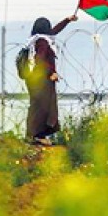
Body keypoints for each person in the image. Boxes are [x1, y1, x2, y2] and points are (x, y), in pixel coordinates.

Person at [24, 14, 77, 146]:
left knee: (39, 106)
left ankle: (34, 135)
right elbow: (40, 60)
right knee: (42, 107)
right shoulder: (42, 42)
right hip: (41, 80)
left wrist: (67, 20)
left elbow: (54, 31)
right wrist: (51, 72)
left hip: (34, 79)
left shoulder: (37, 39)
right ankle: (37, 135)